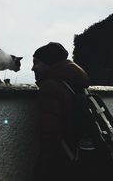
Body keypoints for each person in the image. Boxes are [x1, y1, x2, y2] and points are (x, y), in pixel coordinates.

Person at [31, 42, 91, 180]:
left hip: (63, 165)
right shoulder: (77, 84)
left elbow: (50, 136)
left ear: (49, 63)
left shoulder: (51, 88)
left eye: (36, 63)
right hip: (81, 156)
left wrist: (41, 171)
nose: (32, 68)